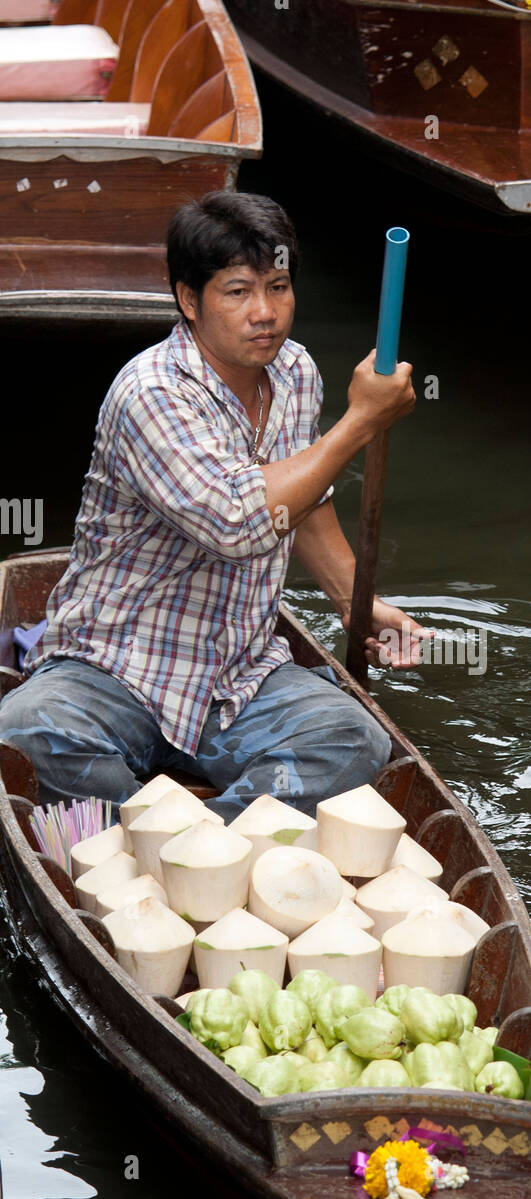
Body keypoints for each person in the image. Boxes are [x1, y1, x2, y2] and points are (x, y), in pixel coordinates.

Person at [0, 191, 430, 822]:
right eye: (237, 292)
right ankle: (174, 834)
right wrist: (360, 421)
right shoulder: (151, 392)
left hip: (239, 674)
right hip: (115, 666)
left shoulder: (297, 372)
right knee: (26, 734)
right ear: (188, 300)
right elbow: (237, 521)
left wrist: (352, 602)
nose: (265, 313)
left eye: (278, 287)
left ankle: (201, 838)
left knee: (352, 743)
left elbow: (305, 501)